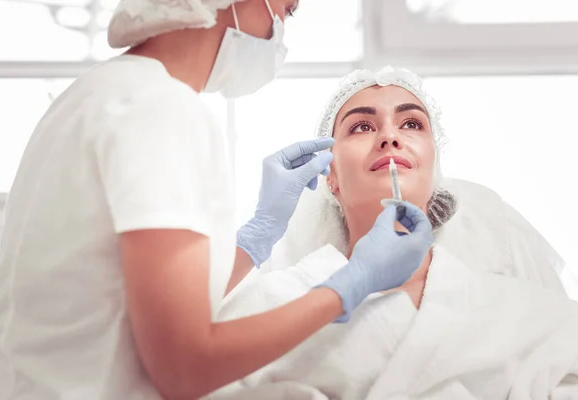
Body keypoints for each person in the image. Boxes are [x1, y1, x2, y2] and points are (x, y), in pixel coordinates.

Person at [0, 2, 435, 400]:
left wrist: (254, 240)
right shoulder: (161, 112)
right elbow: (183, 367)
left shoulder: (103, 93)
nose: (280, 28)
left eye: (412, 124)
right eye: (287, 8)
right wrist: (350, 285)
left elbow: (132, 300)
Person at [212, 67, 578, 399]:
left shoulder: (518, 312)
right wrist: (253, 238)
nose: (389, 136)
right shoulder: (271, 303)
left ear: (435, 165)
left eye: (412, 124)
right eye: (361, 127)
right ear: (331, 177)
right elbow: (172, 368)